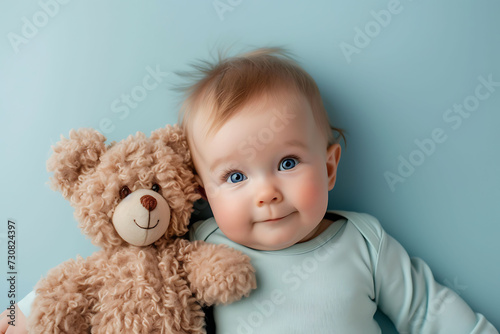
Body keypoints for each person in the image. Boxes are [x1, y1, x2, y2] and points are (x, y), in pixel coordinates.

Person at [2, 47, 498, 334]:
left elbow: (429, 310)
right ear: (201, 190)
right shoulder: (201, 242)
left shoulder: (364, 242)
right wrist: (19, 315)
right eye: (235, 177)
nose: (266, 193)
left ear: (329, 167)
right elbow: (107, 276)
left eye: (287, 163)